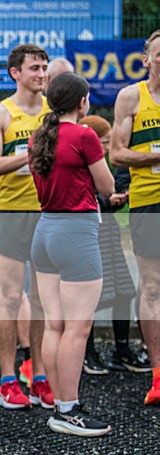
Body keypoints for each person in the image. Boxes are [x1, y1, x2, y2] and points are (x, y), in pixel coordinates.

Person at [28, 72, 114, 435]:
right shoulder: (84, 134)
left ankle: (58, 404)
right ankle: (68, 411)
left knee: (55, 324)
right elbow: (107, 186)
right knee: (78, 328)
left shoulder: (38, 136)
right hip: (76, 232)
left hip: (45, 230)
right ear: (82, 102)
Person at [0, 44, 54, 410]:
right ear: (15, 73)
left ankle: (38, 374)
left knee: (42, 299)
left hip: (48, 212)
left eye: (44, 67)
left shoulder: (54, 113)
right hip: (11, 214)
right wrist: (30, 155)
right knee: (11, 297)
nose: (42, 73)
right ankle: (7, 379)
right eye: (35, 68)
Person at [110, 30, 160, 405]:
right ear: (146, 60)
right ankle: (158, 375)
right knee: (153, 286)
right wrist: (154, 158)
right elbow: (116, 153)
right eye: (159, 56)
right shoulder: (132, 97)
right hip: (148, 201)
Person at [77, 115, 135, 375]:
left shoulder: (106, 161)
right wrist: (108, 201)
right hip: (90, 232)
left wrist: (118, 199)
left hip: (109, 230)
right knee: (89, 298)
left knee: (125, 291)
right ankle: (87, 354)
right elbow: (82, 198)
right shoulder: (81, 160)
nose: (108, 148)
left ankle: (122, 349)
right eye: (104, 142)